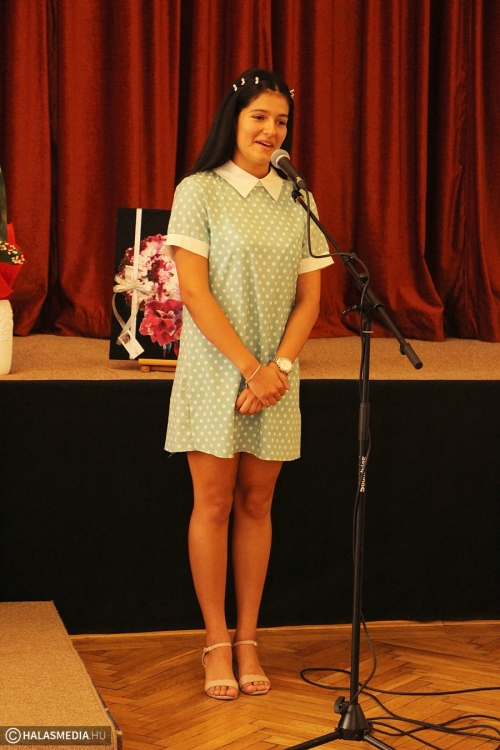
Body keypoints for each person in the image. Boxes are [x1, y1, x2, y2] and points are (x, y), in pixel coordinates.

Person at [165, 68, 332, 701]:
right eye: (259, 116)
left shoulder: (298, 197)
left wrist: (278, 370)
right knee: (213, 504)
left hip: (277, 378)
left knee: (258, 505)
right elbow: (194, 291)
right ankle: (215, 641)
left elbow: (310, 299)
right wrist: (250, 369)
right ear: (233, 119)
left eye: (281, 121)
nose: (271, 130)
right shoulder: (199, 190)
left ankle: (248, 639)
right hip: (217, 372)